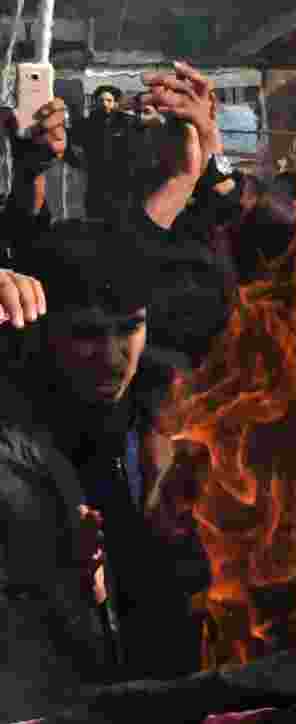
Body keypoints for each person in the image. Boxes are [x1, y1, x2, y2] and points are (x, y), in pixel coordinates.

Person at [0, 62, 221, 720]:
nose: (111, 354)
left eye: (128, 329)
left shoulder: (161, 386)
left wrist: (191, 172)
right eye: (89, 335)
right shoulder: (20, 419)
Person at [68, 85, 142, 221]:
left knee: (120, 217)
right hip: (96, 179)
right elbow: (72, 145)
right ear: (94, 102)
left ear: (115, 103)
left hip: (121, 180)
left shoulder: (128, 122)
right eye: (101, 100)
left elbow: (142, 139)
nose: (104, 104)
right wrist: (80, 162)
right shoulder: (85, 124)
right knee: (95, 217)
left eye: (109, 100)